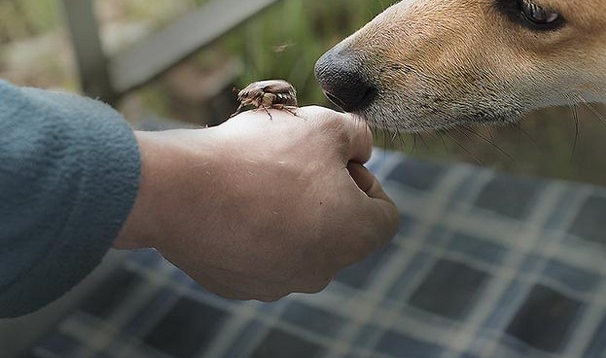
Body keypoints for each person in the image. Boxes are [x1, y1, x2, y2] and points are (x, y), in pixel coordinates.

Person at [0, 79, 399, 317]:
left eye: (248, 100)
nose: (245, 102)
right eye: (247, 100)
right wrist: (183, 186)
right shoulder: (255, 100)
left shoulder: (269, 99)